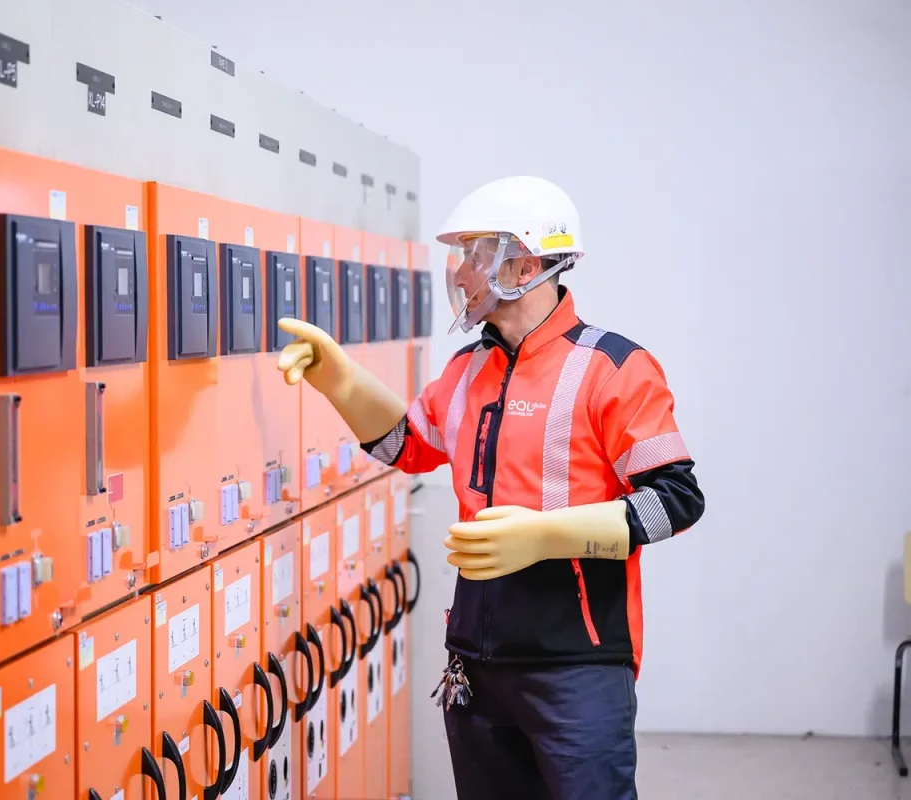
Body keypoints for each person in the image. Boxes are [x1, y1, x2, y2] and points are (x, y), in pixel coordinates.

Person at [274, 175, 705, 799]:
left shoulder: (613, 368)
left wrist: (548, 536)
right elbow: (407, 445)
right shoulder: (468, 368)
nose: (459, 271)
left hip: (576, 669)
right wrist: (340, 381)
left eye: (475, 253)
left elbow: (676, 501)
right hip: (476, 665)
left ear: (527, 264)